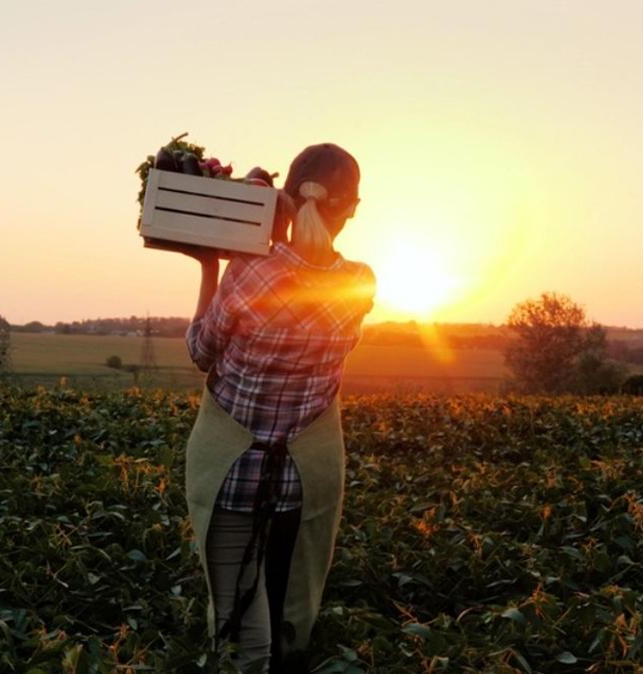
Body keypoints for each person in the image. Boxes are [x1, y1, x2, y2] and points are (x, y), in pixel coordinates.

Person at [181, 143, 376, 673]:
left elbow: (201, 352)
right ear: (352, 208)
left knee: (240, 632)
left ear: (287, 197)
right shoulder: (359, 284)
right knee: (284, 619)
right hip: (300, 483)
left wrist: (210, 265)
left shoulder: (249, 271)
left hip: (232, 477)